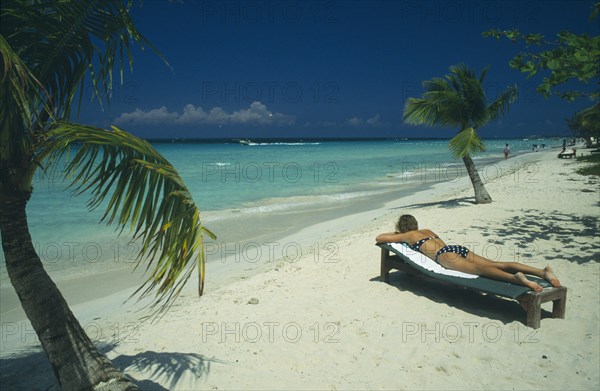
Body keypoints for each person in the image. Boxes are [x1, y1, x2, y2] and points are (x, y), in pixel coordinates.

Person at [376, 214, 561, 292]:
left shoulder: (408, 235)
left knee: (480, 271)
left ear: (403, 227)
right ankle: (541, 272)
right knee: (495, 263)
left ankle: (516, 279)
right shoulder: (427, 231)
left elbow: (380, 238)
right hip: (456, 248)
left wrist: (397, 234)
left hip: (445, 256)